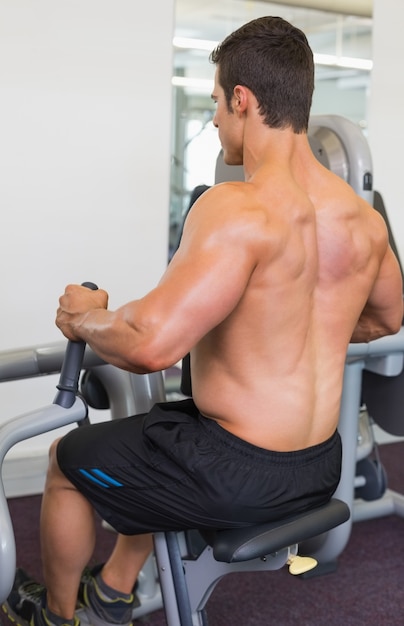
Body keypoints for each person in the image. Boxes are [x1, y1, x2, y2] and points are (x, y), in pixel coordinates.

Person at [3, 15, 403, 626]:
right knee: (160, 430)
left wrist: (86, 319)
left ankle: (55, 617)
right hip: (322, 462)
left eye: (217, 101)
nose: (215, 118)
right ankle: (114, 586)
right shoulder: (365, 221)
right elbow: (385, 320)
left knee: (66, 461)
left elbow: (150, 345)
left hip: (235, 470)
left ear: (243, 100)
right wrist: (289, 329)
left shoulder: (237, 206)